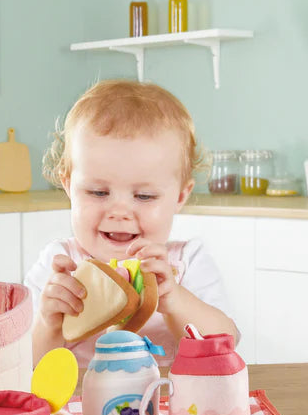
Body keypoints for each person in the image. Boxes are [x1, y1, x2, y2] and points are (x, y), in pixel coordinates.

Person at [24, 78, 237, 367]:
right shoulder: (60, 267)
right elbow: (24, 367)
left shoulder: (185, 264)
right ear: (68, 186)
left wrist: (175, 301)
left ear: (180, 196)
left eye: (145, 196)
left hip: (171, 404)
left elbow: (227, 343)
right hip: (81, 407)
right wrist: (48, 324)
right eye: (98, 192)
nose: (120, 212)